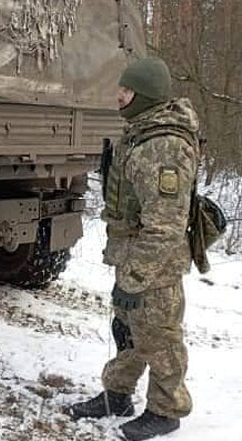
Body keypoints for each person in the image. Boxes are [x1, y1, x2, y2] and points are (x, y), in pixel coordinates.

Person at [67, 58, 200, 441]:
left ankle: (166, 410)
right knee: (126, 328)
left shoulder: (164, 147)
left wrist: (137, 276)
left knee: (159, 336)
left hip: (153, 262)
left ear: (145, 96)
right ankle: (117, 394)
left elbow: (166, 226)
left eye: (126, 92)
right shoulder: (141, 133)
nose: (118, 97)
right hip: (131, 255)